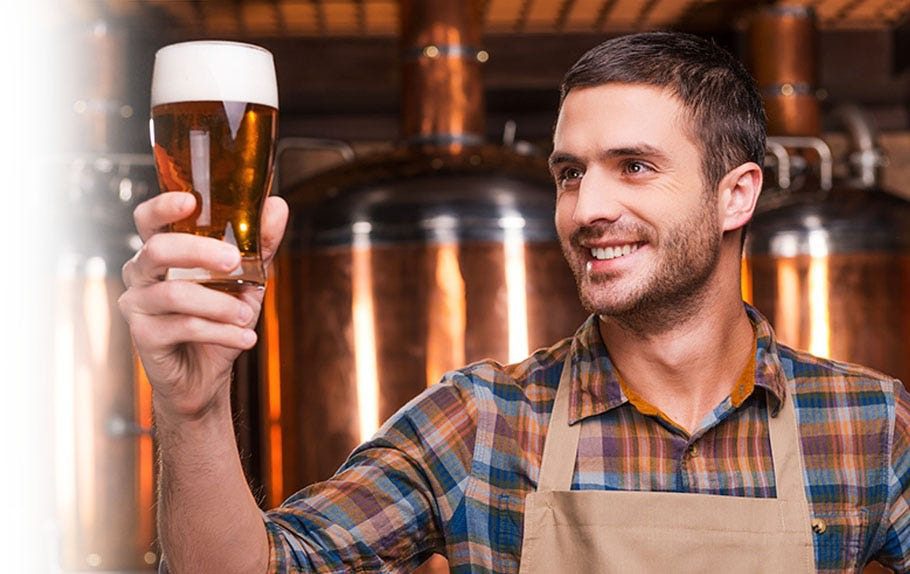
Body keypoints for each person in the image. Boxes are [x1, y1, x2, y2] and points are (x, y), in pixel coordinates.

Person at [119, 32, 910, 573]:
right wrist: (194, 409)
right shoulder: (481, 421)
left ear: (736, 195)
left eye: (633, 166)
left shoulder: (868, 426)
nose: (585, 208)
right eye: (570, 172)